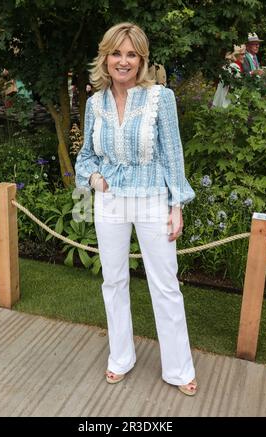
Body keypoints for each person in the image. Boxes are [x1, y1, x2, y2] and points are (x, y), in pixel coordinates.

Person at [75, 22, 197, 396]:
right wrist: (95, 180)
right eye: (117, 53)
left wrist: (177, 205)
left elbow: (172, 155)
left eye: (131, 54)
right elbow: (85, 158)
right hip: (109, 203)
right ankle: (120, 357)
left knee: (165, 285)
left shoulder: (161, 98)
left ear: (141, 60)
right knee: (113, 282)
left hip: (151, 201)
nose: (123, 61)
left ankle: (178, 368)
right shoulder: (94, 103)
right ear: (106, 57)